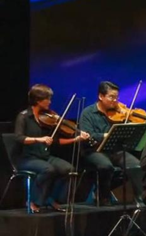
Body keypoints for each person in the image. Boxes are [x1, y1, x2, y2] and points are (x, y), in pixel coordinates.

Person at [14, 84, 89, 213]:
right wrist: (39, 139)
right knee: (48, 169)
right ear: (38, 100)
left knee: (69, 170)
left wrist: (75, 139)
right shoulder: (23, 116)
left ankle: (53, 199)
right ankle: (33, 200)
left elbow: (56, 141)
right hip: (27, 158)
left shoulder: (48, 117)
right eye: (47, 99)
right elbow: (19, 138)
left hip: (45, 156)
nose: (50, 102)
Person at [78, 81, 144, 206]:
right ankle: (103, 196)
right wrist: (106, 135)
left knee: (136, 166)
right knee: (106, 167)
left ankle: (140, 199)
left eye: (116, 97)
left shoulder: (118, 112)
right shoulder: (88, 113)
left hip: (114, 150)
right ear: (101, 96)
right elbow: (87, 134)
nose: (115, 101)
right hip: (94, 150)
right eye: (111, 97)